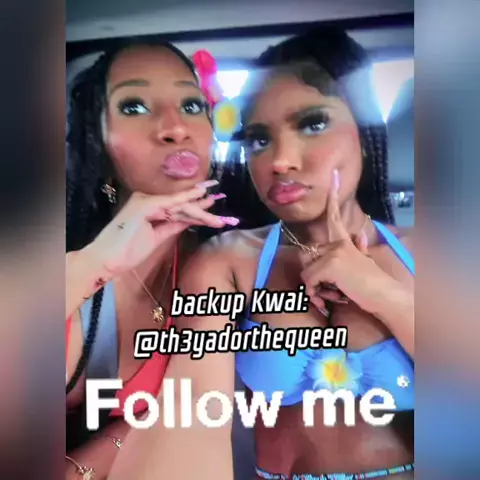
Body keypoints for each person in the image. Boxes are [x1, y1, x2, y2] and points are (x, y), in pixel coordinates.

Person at [108, 27, 414, 480]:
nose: (280, 160)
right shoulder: (228, 262)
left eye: (313, 123)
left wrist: (380, 292)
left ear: (364, 133)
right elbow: (193, 414)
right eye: (258, 139)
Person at [65, 38, 240, 479]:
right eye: (134, 107)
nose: (175, 127)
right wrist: (97, 263)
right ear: (99, 144)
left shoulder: (226, 265)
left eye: (192, 105)